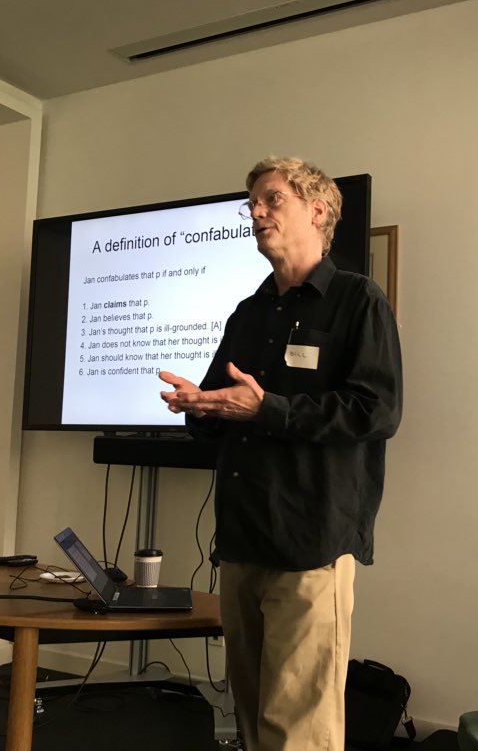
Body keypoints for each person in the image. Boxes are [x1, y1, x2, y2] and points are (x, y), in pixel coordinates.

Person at [158, 156, 402, 750]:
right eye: (252, 204)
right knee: (250, 715)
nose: (256, 212)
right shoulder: (248, 313)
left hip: (309, 543)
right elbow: (222, 405)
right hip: (242, 540)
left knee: (298, 730)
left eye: (272, 199)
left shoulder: (358, 301)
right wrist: (200, 407)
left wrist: (266, 409)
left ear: (317, 210)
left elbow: (376, 411)